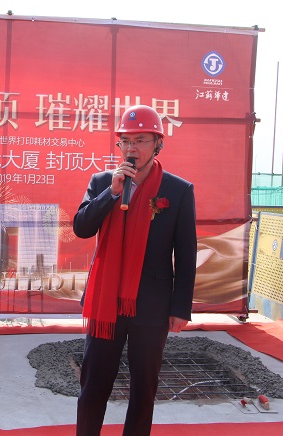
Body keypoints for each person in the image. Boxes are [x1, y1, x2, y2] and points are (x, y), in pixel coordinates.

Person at [74, 104, 197, 435]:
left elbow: (186, 253)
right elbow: (82, 228)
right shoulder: (103, 182)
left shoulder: (178, 190)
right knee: (93, 385)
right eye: (126, 141)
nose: (132, 148)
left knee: (144, 390)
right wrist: (111, 194)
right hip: (106, 302)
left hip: (152, 305)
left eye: (141, 140)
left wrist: (180, 307)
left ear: (158, 144)